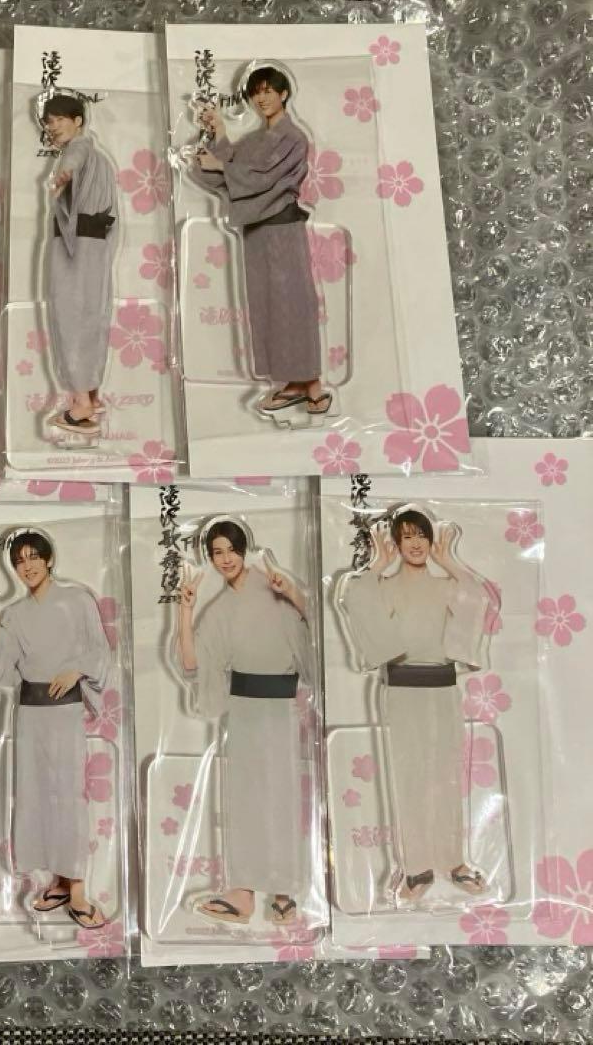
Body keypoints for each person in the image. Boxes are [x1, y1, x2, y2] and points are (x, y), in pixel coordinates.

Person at [0, 531, 110, 929]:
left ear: (48, 559)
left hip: (64, 710)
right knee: (36, 793)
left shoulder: (78, 600)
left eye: (33, 557)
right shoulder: (15, 613)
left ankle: (77, 888)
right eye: (19, 561)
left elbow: (99, 650)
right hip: (29, 712)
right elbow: (1, 657)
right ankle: (58, 879)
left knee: (68, 793)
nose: (27, 566)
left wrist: (76, 669)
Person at [340, 509, 489, 902]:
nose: (416, 543)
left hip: (443, 686)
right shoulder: (385, 586)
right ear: (396, 542)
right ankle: (417, 867)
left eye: (421, 534)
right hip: (403, 688)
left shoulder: (445, 586)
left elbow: (477, 598)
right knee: (409, 777)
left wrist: (450, 561)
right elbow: (355, 597)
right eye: (407, 536)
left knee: (445, 774)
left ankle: (453, 860)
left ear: (430, 539)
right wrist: (377, 565)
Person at [176, 520, 314, 924]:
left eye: (231, 550)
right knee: (244, 797)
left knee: (281, 794)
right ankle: (243, 893)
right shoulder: (219, 610)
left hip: (281, 705)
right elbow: (192, 663)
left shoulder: (275, 588)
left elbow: (318, 633)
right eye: (217, 553)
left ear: (245, 548)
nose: (226, 559)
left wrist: (293, 594)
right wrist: (185, 610)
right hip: (242, 709)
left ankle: (284, 890)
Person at [195, 66, 329, 416]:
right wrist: (219, 131)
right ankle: (294, 383)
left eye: (269, 91)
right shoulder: (253, 141)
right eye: (256, 92)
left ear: (284, 94)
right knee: (267, 306)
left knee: (293, 303)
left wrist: (223, 167)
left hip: (283, 230)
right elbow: (224, 171)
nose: (261, 98)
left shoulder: (294, 137)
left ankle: (312, 384)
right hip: (256, 232)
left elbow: (263, 177)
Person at [42, 94, 118, 437]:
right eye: (49, 121)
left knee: (69, 317)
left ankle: (81, 404)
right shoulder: (100, 159)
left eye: (60, 119)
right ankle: (91, 392)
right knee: (91, 315)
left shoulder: (79, 149)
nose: (53, 126)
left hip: (76, 245)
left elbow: (74, 157)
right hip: (95, 244)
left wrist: (64, 174)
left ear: (78, 121)